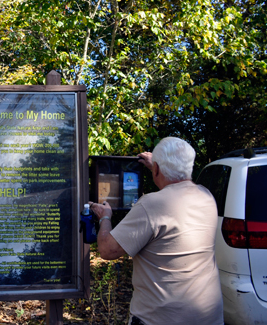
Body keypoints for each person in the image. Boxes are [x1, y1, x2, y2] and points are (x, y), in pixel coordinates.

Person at [89, 137, 223, 325]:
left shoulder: (152, 204)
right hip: (209, 317)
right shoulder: (206, 196)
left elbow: (107, 250)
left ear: (157, 169)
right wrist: (159, 166)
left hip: (160, 319)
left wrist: (105, 217)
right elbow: (177, 181)